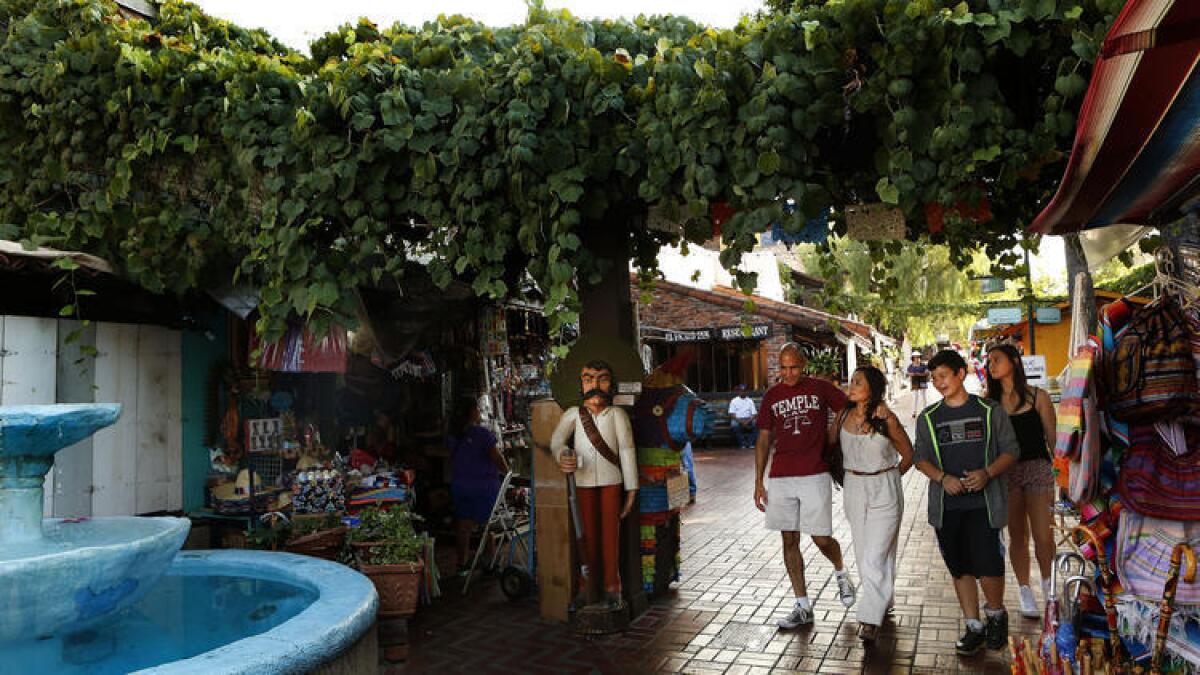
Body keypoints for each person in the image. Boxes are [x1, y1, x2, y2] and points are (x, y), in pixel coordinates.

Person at [913, 349, 1019, 655]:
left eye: (943, 376)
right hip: (947, 508)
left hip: (985, 504)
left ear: (961, 374)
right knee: (960, 568)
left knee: (988, 565)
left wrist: (988, 473)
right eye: (934, 378)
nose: (938, 383)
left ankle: (996, 615)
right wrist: (942, 478)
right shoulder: (929, 417)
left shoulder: (989, 410)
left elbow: (1011, 451)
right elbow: (920, 457)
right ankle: (974, 625)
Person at [754, 342, 857, 629]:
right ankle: (802, 606)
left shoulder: (820, 388)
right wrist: (758, 481)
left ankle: (841, 572)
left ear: (804, 364)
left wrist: (832, 433)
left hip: (815, 472)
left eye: (794, 367)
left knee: (821, 538)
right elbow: (763, 439)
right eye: (783, 368)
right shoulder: (772, 396)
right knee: (789, 540)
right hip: (781, 476)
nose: (788, 373)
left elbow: (848, 409)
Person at [831, 366, 913, 643]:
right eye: (851, 381)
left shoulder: (885, 418)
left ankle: (869, 618)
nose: (851, 386)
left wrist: (888, 478)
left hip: (884, 488)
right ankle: (884, 599)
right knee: (866, 551)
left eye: (858, 382)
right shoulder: (842, 415)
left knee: (873, 557)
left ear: (873, 388)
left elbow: (908, 454)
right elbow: (829, 445)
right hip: (854, 487)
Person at [551, 360, 638, 608]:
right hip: (583, 481)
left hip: (612, 481)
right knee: (585, 535)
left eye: (602, 379)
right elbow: (556, 441)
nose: (595, 385)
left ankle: (613, 586)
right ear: (580, 384)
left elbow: (627, 450)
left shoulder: (617, 415)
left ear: (611, 384)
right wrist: (562, 455)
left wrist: (631, 489)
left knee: (611, 535)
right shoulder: (573, 415)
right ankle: (586, 587)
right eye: (589, 379)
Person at [985, 343, 1058, 619]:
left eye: (996, 359)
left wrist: (1063, 474)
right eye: (989, 361)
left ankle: (1049, 588)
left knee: (1043, 535)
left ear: (1014, 361)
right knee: (1017, 535)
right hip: (1007, 473)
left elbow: (1052, 439)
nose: (991, 366)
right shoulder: (990, 403)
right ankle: (1025, 590)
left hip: (1038, 469)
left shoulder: (1038, 396)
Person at [447, 399, 508, 577]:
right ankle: (489, 562)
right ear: (472, 412)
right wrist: (508, 472)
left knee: (464, 526)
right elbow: (497, 457)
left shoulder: (454, 436)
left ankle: (462, 564)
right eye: (477, 408)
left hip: (461, 485)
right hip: (483, 486)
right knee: (487, 525)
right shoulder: (482, 434)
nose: (479, 411)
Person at [728, 384, 758, 449]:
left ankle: (750, 443)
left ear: (747, 392)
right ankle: (743, 444)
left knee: (757, 424)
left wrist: (747, 421)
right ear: (738, 391)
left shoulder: (750, 400)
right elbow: (732, 414)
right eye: (741, 390)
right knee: (734, 425)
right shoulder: (734, 401)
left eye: (744, 391)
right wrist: (741, 422)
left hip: (749, 419)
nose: (743, 392)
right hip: (738, 419)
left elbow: (754, 414)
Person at [907, 352, 930, 418]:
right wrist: (912, 374)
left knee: (923, 396)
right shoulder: (910, 366)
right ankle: (914, 412)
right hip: (915, 382)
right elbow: (909, 373)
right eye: (915, 357)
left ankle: (925, 410)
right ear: (913, 358)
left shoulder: (923, 365)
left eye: (918, 357)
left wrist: (918, 374)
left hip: (922, 381)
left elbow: (927, 372)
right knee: (915, 397)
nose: (917, 358)